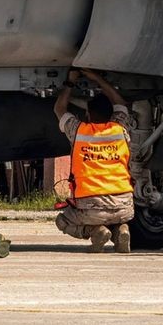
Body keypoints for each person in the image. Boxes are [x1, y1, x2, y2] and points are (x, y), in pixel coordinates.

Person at [52, 68, 136, 253]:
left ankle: (95, 231)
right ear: (111, 114)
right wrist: (96, 77)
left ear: (89, 115)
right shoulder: (120, 129)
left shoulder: (79, 131)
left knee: (62, 221)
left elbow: (59, 109)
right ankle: (121, 230)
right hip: (125, 206)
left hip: (91, 206)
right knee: (115, 218)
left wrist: (70, 82)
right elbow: (120, 103)